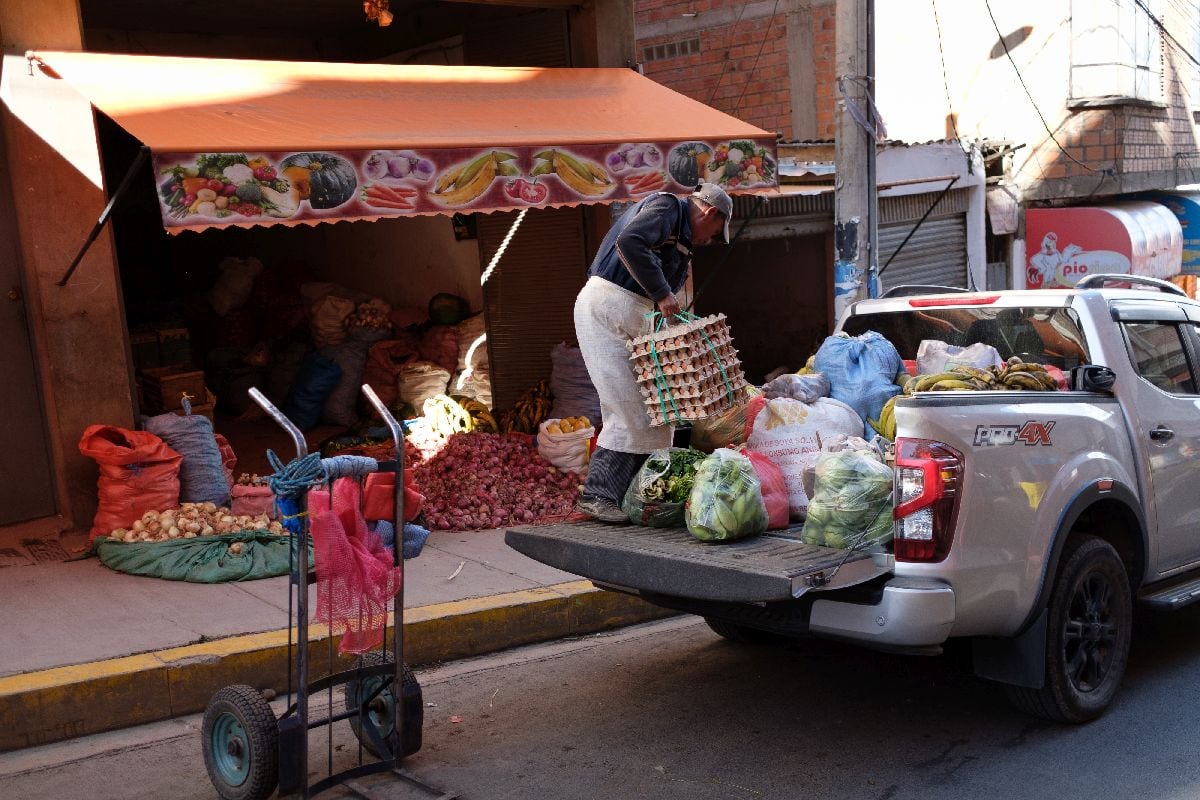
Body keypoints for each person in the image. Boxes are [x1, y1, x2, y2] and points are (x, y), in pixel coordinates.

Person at [573, 182, 733, 523]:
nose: (710, 239)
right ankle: (597, 495)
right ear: (710, 212)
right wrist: (663, 293)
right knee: (627, 406)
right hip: (606, 308)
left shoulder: (682, 237)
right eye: (716, 230)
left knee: (655, 414)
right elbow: (629, 242)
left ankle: (634, 496)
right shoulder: (667, 208)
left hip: (633, 316)